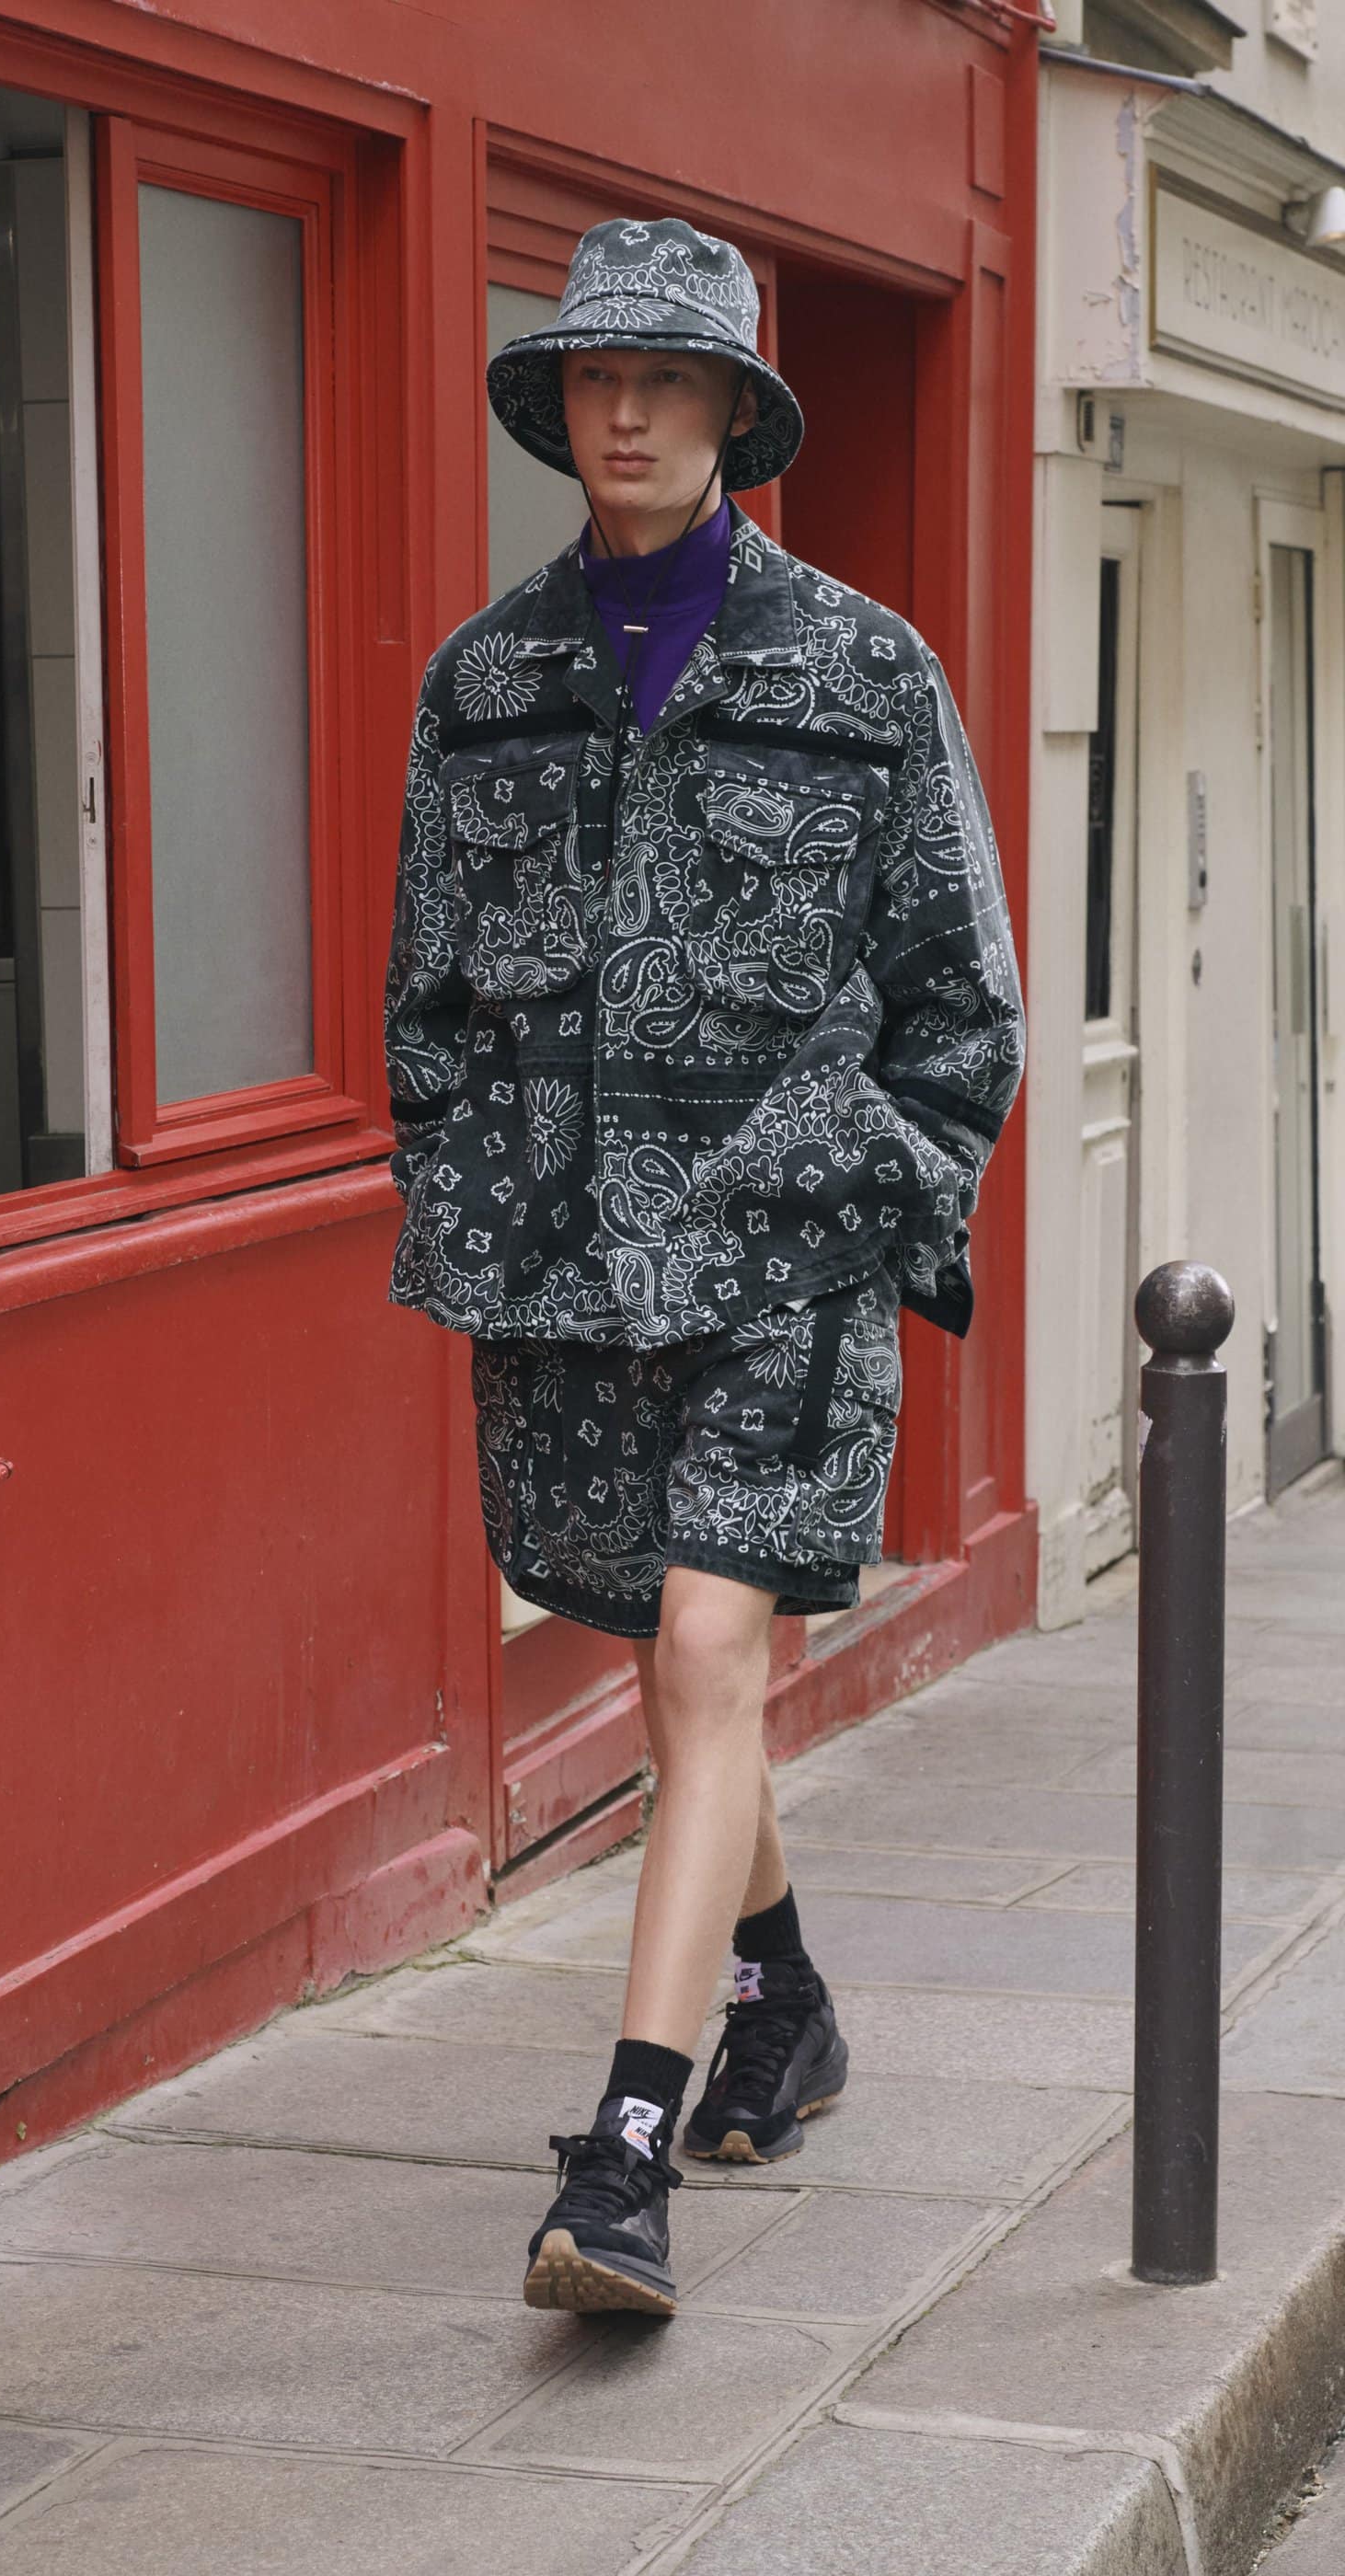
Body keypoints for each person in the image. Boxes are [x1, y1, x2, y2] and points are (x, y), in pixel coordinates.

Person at [383, 217, 1025, 2317]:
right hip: (563, 1278)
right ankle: (785, 1999)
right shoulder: (481, 682)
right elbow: (426, 1010)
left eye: (669, 381)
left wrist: (848, 1197)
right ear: (560, 407)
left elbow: (960, 1017)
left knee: (710, 1652)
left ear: (740, 414)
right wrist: (475, 1193)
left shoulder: (863, 670)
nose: (630, 410)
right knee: (668, 1665)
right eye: (594, 378)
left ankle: (626, 2158)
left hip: (785, 1265)